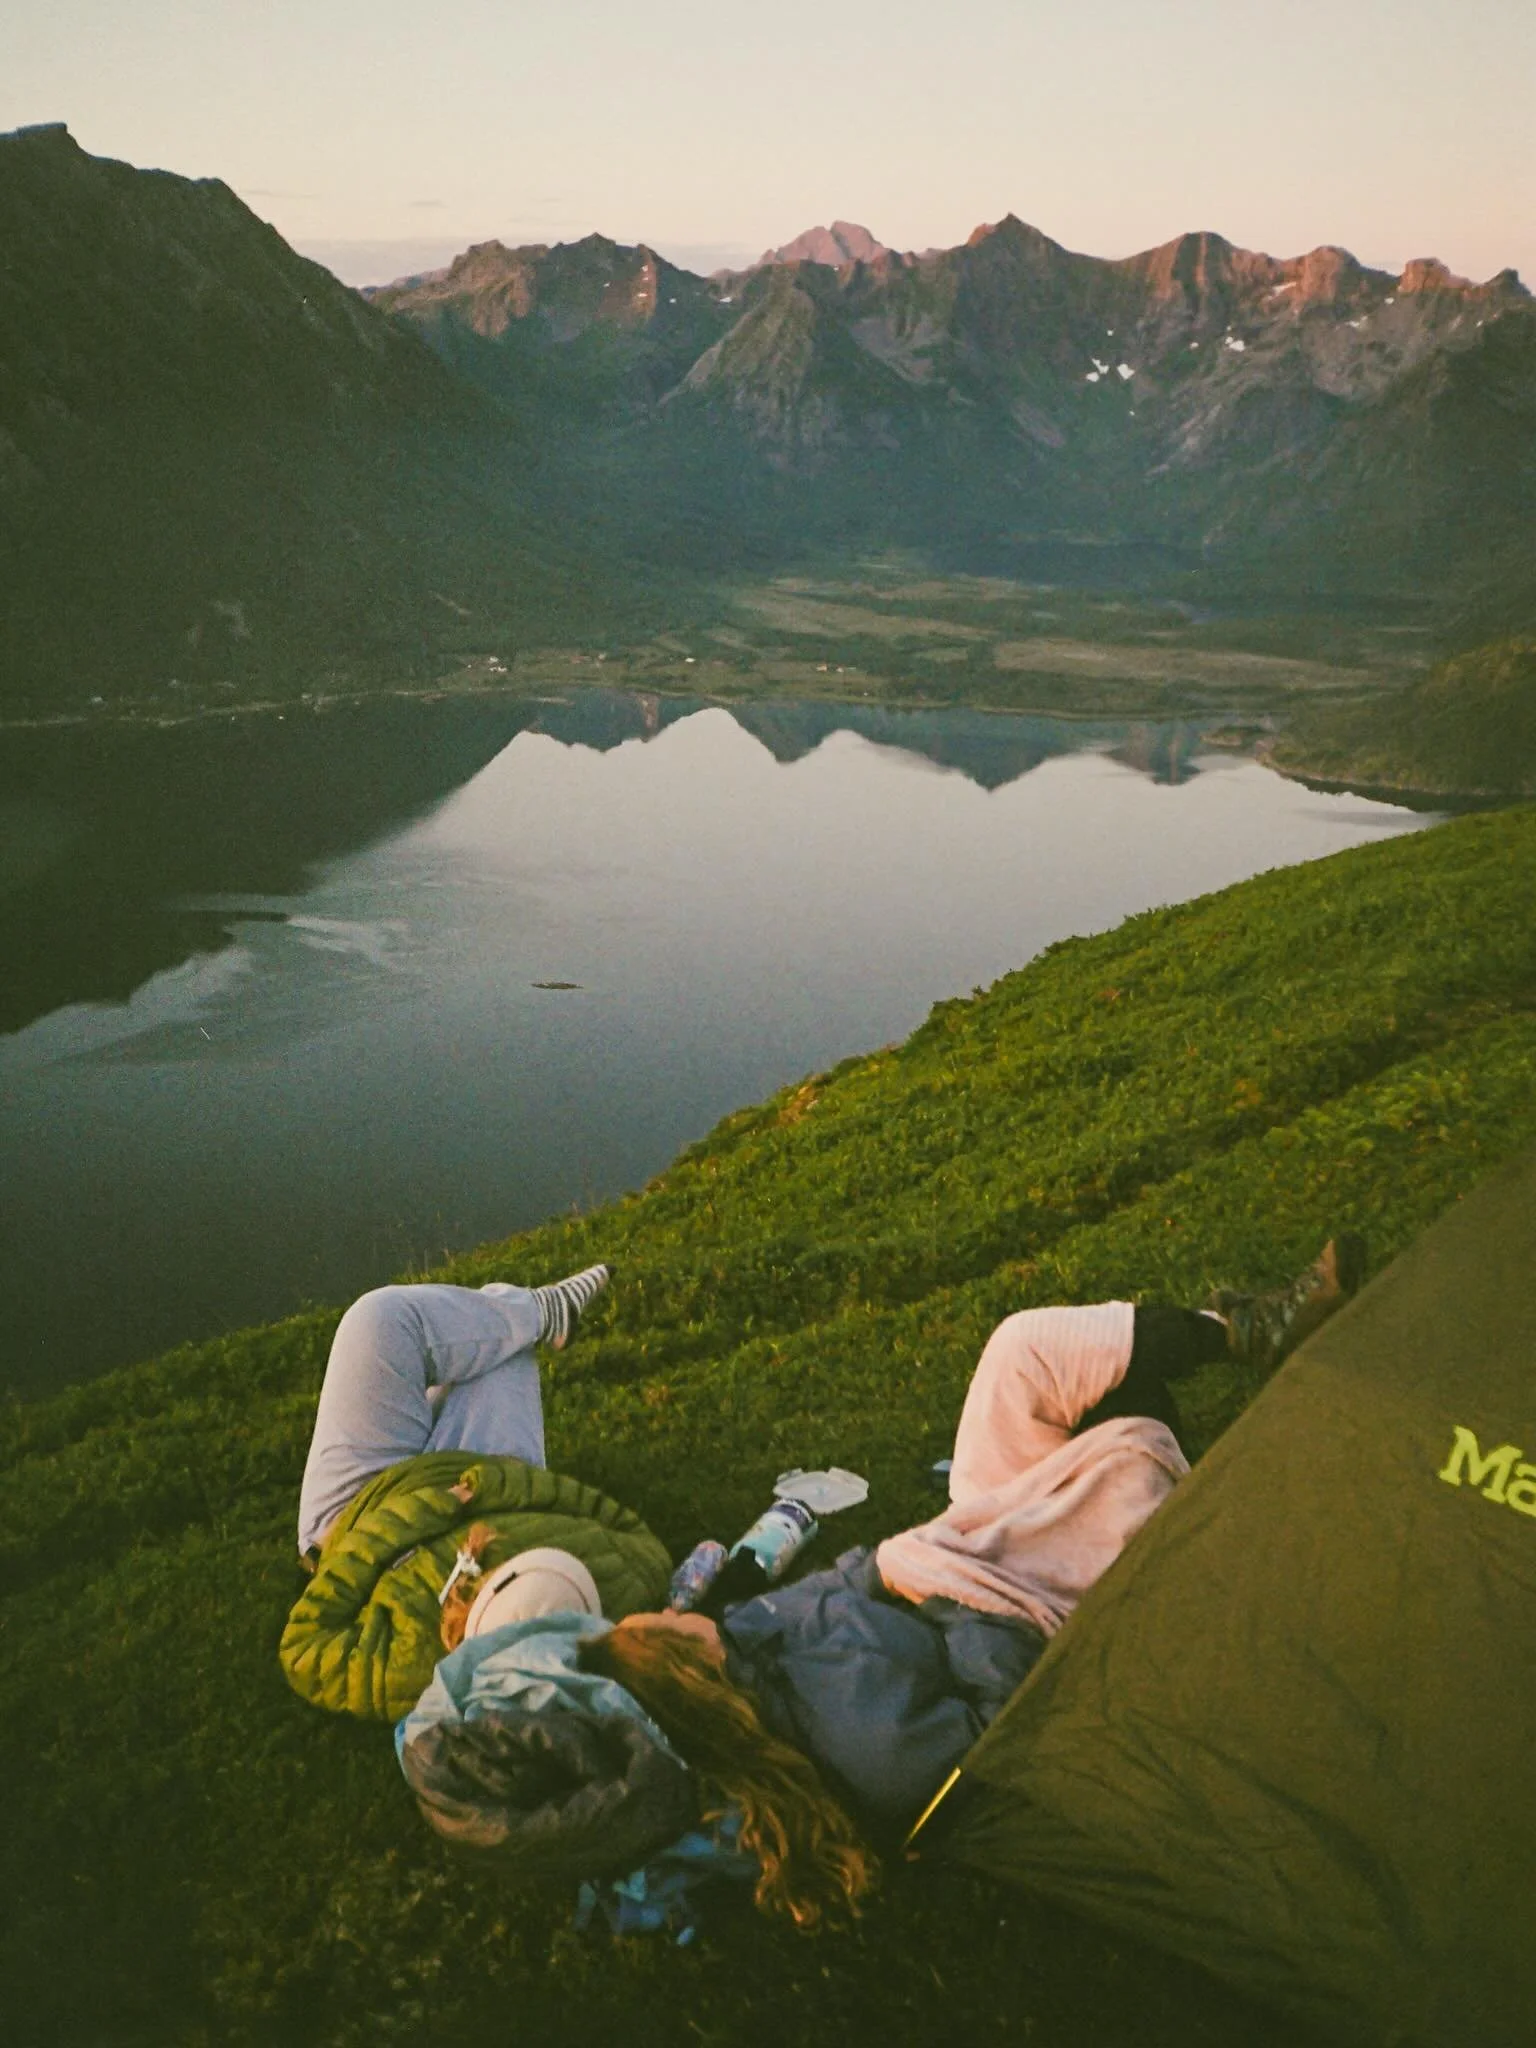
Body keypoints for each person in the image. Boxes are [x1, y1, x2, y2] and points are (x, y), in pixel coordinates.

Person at [576, 1235, 1367, 1929]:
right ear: (695, 1672)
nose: (669, 1611)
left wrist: (897, 1567)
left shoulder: (745, 1639)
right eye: (665, 1628)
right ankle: (1259, 1418)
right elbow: (1008, 1722)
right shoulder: (869, 1749)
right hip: (1033, 1598)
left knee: (1021, 1352)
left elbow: (848, 1581)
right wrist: (951, 1599)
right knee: (1119, 1422)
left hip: (958, 1547)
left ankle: (1247, 1329)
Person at [296, 1262, 614, 1565]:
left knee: (382, 1319)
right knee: (506, 1347)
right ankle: (543, 1310)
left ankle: (543, 1310)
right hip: (467, 1525)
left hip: (357, 1523)